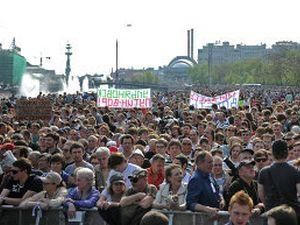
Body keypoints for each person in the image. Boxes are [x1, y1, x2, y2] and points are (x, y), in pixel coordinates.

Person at [258, 140, 300, 214]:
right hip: (291, 212)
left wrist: (268, 204)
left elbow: (261, 195)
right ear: (287, 152)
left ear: (272, 153)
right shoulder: (295, 171)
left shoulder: (263, 172)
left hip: (271, 211)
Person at [186, 151, 223, 216]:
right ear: (200, 163)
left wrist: (221, 199)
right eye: (209, 162)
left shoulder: (210, 175)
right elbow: (191, 203)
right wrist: (206, 209)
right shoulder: (196, 179)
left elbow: (217, 190)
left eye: (212, 162)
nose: (212, 164)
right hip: (202, 219)